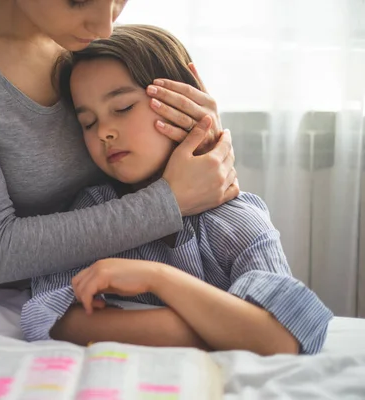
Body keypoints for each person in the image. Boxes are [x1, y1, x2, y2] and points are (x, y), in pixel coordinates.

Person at [20, 25, 333, 356]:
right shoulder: (93, 209)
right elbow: (56, 321)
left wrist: (157, 278)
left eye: (123, 107)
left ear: (188, 93)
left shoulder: (234, 219)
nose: (104, 133)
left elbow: (282, 337)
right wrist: (225, 330)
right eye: (88, 123)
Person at [0, 0, 238, 286]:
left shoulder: (86, 43)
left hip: (112, 291)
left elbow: (173, 180)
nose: (105, 26)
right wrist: (170, 201)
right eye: (79, 0)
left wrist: (202, 147)